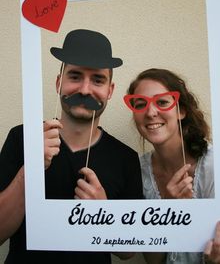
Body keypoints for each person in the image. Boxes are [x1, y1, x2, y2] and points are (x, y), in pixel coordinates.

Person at [0, 29, 143, 263]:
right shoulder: (22, 138)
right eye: (75, 76)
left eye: (97, 79)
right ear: (59, 82)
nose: (85, 90)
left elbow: (127, 252)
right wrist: (30, 170)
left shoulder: (126, 158)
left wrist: (104, 215)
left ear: (110, 91)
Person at [124, 68, 220, 264]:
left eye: (162, 102)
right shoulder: (138, 171)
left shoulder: (216, 166)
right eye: (140, 104)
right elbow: (154, 260)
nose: (150, 112)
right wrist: (167, 214)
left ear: (181, 111)